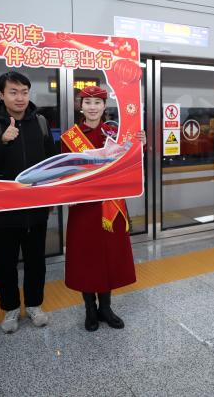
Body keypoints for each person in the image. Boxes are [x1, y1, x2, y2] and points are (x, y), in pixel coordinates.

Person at [0, 71, 56, 333]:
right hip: (3, 210)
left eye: (24, 91)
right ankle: (10, 309)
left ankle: (34, 305)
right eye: (13, 92)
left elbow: (51, 161)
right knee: (4, 263)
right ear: (1, 95)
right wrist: (2, 141)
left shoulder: (42, 122)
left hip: (35, 208)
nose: (20, 97)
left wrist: (51, 196)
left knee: (36, 260)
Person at [62, 85, 144, 331]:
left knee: (109, 256)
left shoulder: (116, 132)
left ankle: (105, 307)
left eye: (97, 103)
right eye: (88, 103)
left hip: (111, 205)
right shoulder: (71, 136)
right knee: (86, 258)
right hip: (84, 208)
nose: (93, 107)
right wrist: (67, 193)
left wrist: (142, 143)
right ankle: (89, 308)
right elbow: (65, 172)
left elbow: (132, 161)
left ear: (104, 106)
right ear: (81, 106)